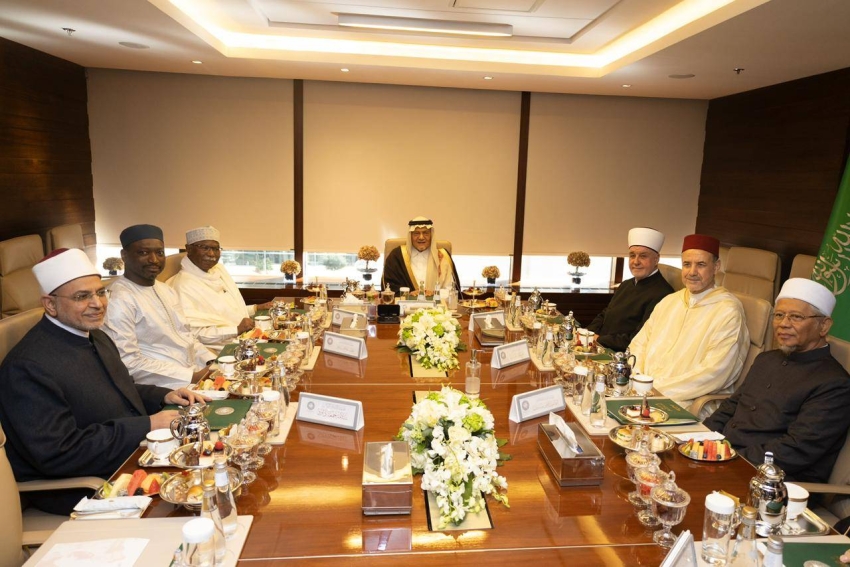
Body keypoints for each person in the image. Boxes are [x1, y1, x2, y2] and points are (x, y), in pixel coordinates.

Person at [0, 248, 206, 514]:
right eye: (82, 296)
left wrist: (163, 395)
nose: (98, 304)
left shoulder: (95, 336)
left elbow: (116, 389)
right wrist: (147, 424)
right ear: (50, 304)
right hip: (87, 487)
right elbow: (59, 453)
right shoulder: (27, 367)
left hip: (132, 456)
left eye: (100, 292)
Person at [704, 278, 850, 482]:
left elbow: (795, 450)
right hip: (727, 458)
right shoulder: (766, 359)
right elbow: (732, 406)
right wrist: (701, 438)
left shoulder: (834, 383)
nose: (784, 324)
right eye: (779, 315)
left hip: (773, 480)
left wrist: (727, 458)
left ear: (823, 326)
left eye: (796, 317)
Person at [629, 234, 749, 409]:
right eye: (687, 264)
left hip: (688, 401)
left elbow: (715, 371)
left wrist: (656, 389)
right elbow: (639, 344)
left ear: (716, 267)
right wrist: (638, 378)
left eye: (701, 265)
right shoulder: (669, 301)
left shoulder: (727, 311)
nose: (692, 272)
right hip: (644, 391)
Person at [104, 224, 216, 389]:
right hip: (163, 387)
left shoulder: (166, 290)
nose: (154, 260)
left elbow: (186, 336)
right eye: (143, 253)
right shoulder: (118, 300)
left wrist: (211, 361)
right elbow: (128, 362)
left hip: (194, 374)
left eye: (159, 253)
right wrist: (192, 377)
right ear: (124, 255)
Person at [168, 226, 272, 351]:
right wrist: (236, 329)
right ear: (189, 249)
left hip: (245, 339)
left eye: (215, 248)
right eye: (205, 248)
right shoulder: (182, 286)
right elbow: (192, 333)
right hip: (222, 349)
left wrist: (255, 308)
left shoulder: (217, 271)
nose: (211, 254)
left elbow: (226, 313)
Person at [586, 227, 674, 352]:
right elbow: (606, 314)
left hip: (622, 356)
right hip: (600, 346)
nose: (636, 262)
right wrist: (587, 333)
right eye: (632, 255)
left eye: (643, 256)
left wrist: (599, 339)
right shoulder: (626, 284)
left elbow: (639, 338)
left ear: (656, 259)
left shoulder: (663, 294)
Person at [382, 216, 460, 294]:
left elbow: (452, 289)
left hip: (437, 301)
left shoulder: (443, 257)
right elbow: (389, 287)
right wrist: (409, 295)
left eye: (426, 233)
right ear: (410, 236)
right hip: (405, 301)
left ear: (431, 235)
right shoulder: (397, 256)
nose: (421, 237)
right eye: (416, 233)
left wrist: (435, 294)